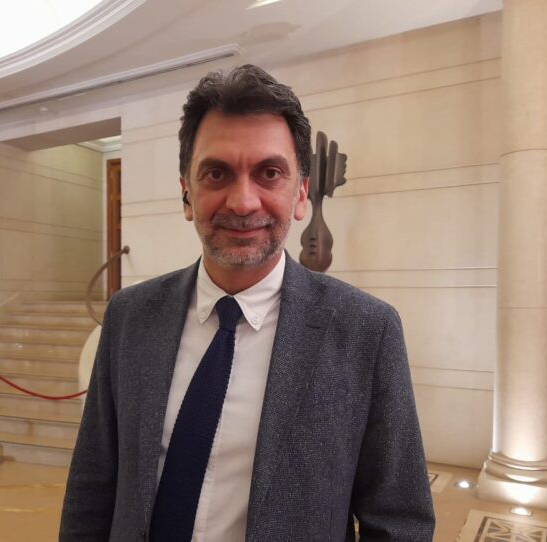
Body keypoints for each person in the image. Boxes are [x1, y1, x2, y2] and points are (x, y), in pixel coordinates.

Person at [59, 64, 434, 541]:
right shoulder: (129, 317)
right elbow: (92, 487)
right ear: (187, 195)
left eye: (269, 173)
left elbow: (399, 521)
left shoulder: (366, 332)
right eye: (216, 173)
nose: (242, 202)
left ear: (300, 194)